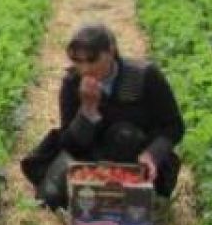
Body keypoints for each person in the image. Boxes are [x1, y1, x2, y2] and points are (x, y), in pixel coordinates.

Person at [21, 22, 185, 209]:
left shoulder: (144, 76)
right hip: (91, 155)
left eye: (92, 60)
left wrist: (152, 154)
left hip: (133, 155)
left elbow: (174, 126)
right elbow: (70, 144)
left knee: (123, 134)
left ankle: (135, 194)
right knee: (49, 198)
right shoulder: (72, 83)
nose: (85, 69)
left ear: (111, 51)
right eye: (78, 62)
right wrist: (87, 111)